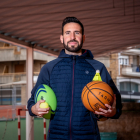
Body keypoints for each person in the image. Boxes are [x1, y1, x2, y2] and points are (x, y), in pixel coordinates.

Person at [27, 17, 122, 140]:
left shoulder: (98, 67)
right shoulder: (49, 68)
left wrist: (113, 112)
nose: (72, 37)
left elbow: (116, 103)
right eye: (68, 33)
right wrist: (34, 109)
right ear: (61, 38)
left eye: (77, 33)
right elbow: (32, 101)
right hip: (56, 136)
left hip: (89, 136)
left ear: (83, 37)